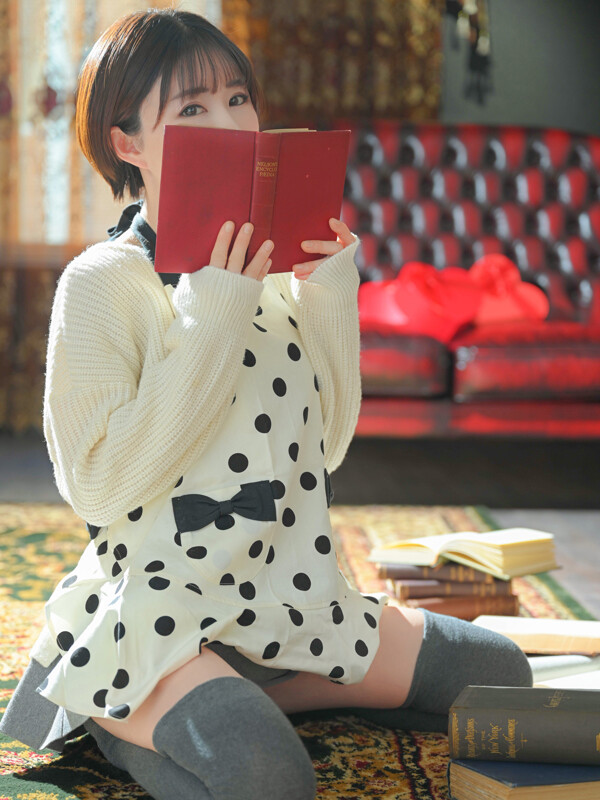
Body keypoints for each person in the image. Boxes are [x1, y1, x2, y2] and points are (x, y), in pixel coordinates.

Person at [0, 9, 533, 800]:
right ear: (128, 143)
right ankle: (118, 705)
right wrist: (214, 308)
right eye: (192, 108)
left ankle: (262, 690)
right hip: (160, 609)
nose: (230, 124)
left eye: (238, 99)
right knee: (267, 778)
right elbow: (99, 489)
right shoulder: (101, 284)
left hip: (289, 595)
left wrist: (329, 295)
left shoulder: (282, 276)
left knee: (501, 674)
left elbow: (329, 446)